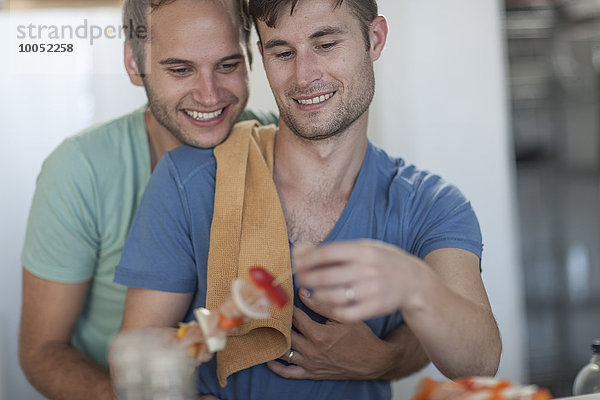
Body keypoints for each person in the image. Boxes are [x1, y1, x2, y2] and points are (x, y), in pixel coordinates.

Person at [19, 0, 428, 399]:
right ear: (134, 63)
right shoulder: (79, 170)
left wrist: (383, 360)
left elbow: (418, 319)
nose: (209, 94)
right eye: (180, 69)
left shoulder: (286, 143)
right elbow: (41, 351)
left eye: (228, 65)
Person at [114, 0, 501, 398]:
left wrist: (417, 287)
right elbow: (138, 357)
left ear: (375, 38)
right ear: (261, 55)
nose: (304, 76)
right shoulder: (189, 180)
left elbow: (479, 363)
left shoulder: (432, 204)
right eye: (283, 52)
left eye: (326, 44)